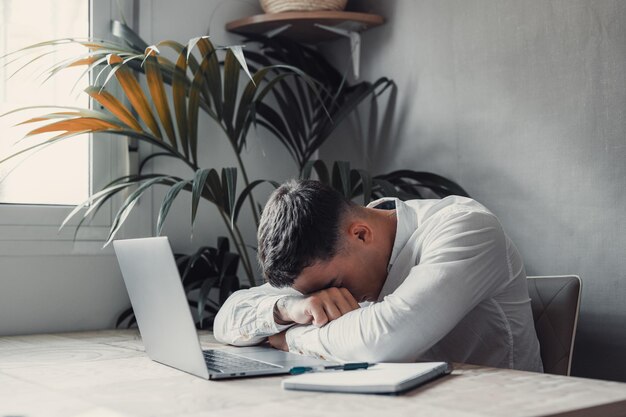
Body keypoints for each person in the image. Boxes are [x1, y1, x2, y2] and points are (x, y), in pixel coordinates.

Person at [213, 179, 543, 371]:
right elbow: (226, 319)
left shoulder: (465, 227)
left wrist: (293, 338)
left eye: (333, 285)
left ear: (360, 234)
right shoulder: (328, 253)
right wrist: (287, 309)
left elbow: (386, 338)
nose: (335, 300)